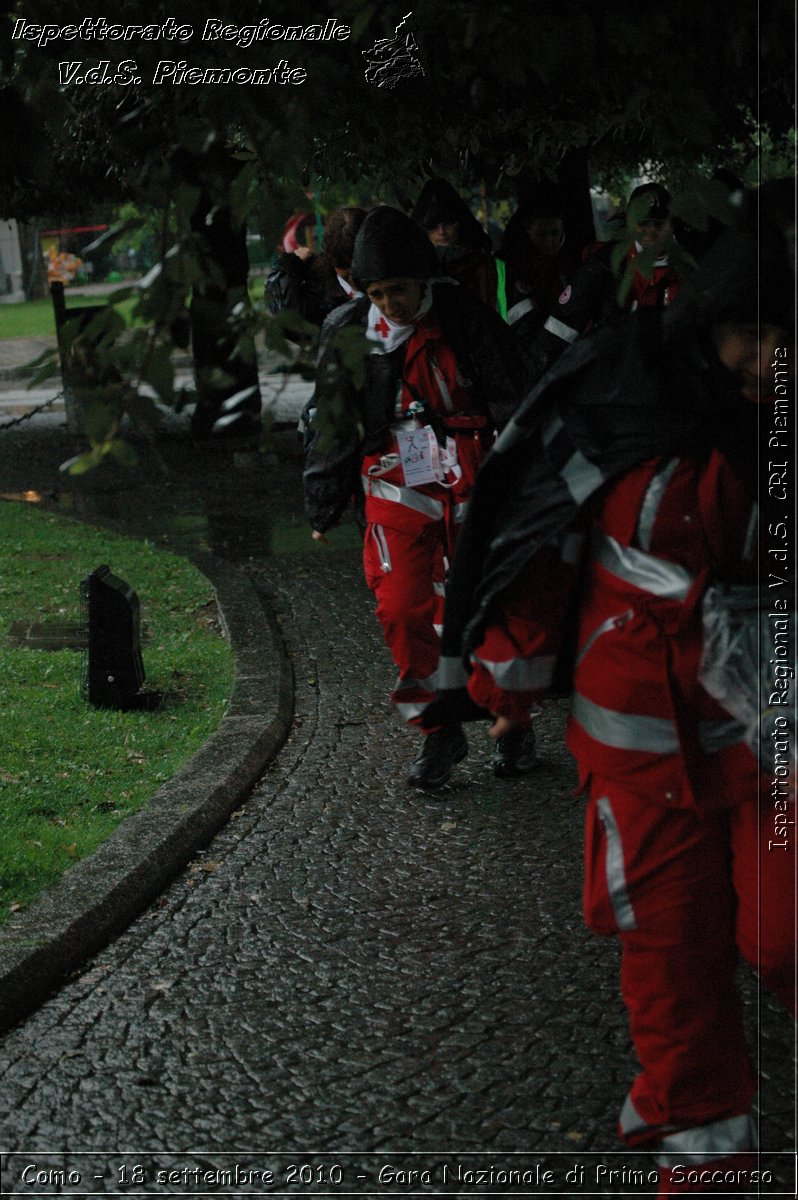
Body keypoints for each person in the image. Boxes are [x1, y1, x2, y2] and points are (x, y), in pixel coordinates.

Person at [434, 183, 795, 1194]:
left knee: (786, 933)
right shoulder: (624, 392)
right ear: (707, 326)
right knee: (672, 972)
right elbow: (540, 525)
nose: (772, 361)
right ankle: (708, 1167)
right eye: (753, 336)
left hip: (775, 738)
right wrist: (507, 660)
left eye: (788, 341)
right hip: (639, 754)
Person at [303, 204, 530, 788]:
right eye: (376, 293)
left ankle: (511, 721)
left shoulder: (466, 317)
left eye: (398, 290)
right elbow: (334, 418)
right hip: (393, 479)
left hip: (473, 474)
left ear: (423, 279)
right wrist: (322, 501)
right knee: (401, 605)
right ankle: (438, 731)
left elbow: (515, 398)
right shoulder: (348, 331)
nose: (389, 305)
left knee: (490, 603)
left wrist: (524, 480)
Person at [521, 182, 687, 385]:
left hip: (670, 384)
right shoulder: (605, 266)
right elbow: (557, 334)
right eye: (643, 223)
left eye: (659, 223)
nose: (651, 231)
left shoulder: (689, 270)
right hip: (612, 384)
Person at [265, 206, 368, 326]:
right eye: (345, 267)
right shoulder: (319, 287)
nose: (353, 277)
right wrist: (286, 267)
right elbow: (288, 321)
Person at [411, 177, 500, 311]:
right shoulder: (414, 274)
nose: (441, 232)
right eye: (432, 225)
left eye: (448, 222)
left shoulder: (486, 266)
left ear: (460, 223)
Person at [497, 191, 571, 327]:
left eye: (555, 233)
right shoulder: (513, 267)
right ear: (528, 230)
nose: (550, 241)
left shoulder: (568, 262)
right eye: (542, 234)